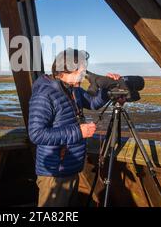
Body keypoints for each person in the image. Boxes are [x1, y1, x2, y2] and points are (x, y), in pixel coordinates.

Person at [28, 48, 120, 207]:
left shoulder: (72, 89)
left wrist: (106, 87)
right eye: (81, 71)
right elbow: (36, 134)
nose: (83, 75)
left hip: (71, 168)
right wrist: (79, 132)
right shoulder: (44, 94)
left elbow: (92, 103)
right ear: (65, 70)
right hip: (54, 175)